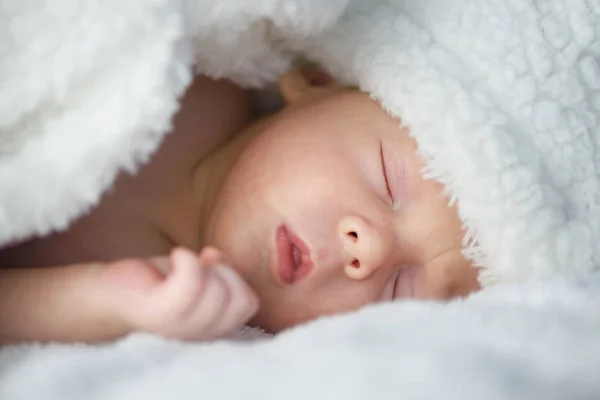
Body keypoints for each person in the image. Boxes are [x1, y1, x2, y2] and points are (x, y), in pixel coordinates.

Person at [0, 67, 480, 344]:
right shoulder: (197, 76)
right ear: (316, 83)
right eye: (388, 180)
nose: (367, 251)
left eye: (399, 290)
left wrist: (106, 302)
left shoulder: (157, 309)